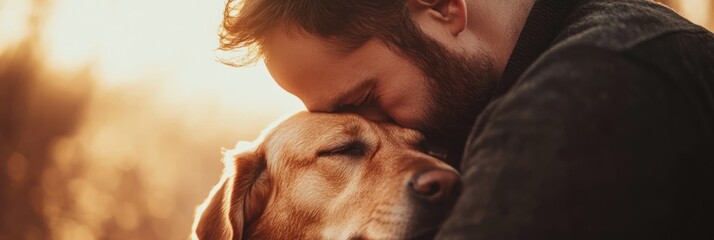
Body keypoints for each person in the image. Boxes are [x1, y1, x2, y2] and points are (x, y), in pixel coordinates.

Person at [218, 0, 714, 238]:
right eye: (343, 134)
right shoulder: (629, 37)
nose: (384, 131)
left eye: (365, 95)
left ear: (439, 5)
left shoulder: (583, 94)